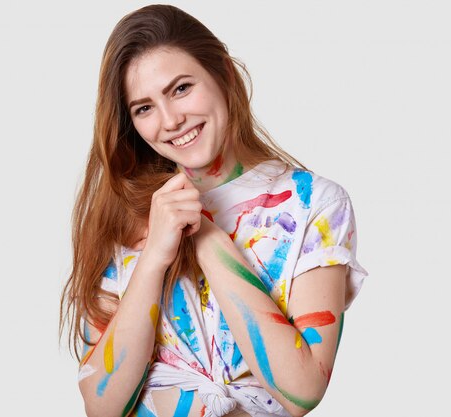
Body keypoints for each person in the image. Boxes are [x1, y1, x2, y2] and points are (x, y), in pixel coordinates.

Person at [59, 4, 368, 417]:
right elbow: (102, 406)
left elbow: (303, 390)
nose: (170, 120)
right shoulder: (125, 214)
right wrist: (154, 258)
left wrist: (203, 234)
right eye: (144, 108)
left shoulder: (313, 204)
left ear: (223, 73)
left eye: (181, 88)